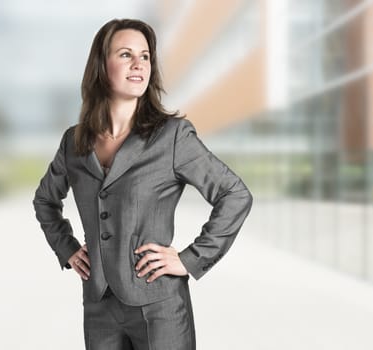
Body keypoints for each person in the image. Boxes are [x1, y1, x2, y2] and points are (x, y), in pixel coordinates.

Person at [33, 18, 252, 350]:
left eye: (145, 56)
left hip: (159, 306)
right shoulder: (74, 142)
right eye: (125, 54)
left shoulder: (173, 136)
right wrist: (67, 248)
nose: (138, 64)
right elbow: (45, 201)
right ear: (100, 66)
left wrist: (190, 258)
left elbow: (234, 194)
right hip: (98, 307)